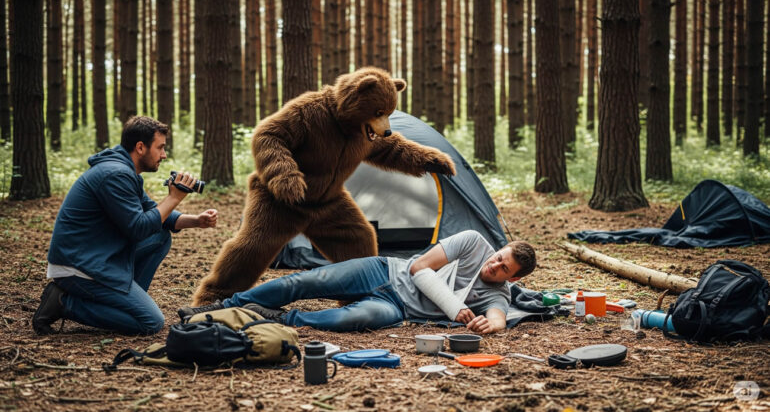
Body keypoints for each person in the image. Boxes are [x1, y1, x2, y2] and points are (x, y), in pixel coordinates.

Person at [32, 116, 218, 336]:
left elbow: (154, 214)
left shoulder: (124, 171)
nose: (164, 155)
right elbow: (138, 228)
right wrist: (175, 197)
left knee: (159, 236)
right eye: (160, 148)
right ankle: (63, 302)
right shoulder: (115, 175)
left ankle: (124, 301)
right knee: (150, 322)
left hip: (97, 254)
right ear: (140, 147)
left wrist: (196, 221)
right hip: (79, 265)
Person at [178, 230, 536, 334]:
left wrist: (491, 324)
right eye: (499, 256)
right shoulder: (474, 242)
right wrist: (456, 308)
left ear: (514, 278)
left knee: (350, 319)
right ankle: (226, 305)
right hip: (385, 271)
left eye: (504, 268)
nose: (494, 264)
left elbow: (499, 318)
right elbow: (420, 269)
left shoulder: (499, 293)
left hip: (397, 308)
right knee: (306, 280)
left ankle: (276, 318)